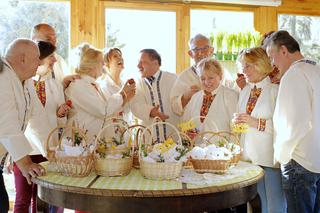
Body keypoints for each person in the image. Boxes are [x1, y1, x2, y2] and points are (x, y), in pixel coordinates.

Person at [12, 41, 70, 213]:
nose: (55, 60)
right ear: (40, 58)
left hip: (48, 148)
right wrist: (10, 154)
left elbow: (59, 123)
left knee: (44, 199)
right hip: (26, 150)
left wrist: (61, 114)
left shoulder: (54, 85)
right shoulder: (21, 83)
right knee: (23, 198)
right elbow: (18, 122)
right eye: (51, 56)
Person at [266, 30, 320, 213]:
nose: (272, 64)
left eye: (272, 56)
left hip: (299, 160)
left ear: (283, 50)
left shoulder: (293, 74)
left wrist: (283, 154)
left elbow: (295, 123)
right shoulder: (316, 69)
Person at [235, 47, 286, 213]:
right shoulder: (244, 91)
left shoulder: (275, 91)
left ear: (260, 65)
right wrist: (236, 122)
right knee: (257, 204)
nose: (244, 71)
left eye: (248, 66)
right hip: (248, 157)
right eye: (243, 66)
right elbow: (240, 121)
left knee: (275, 205)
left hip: (269, 157)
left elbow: (283, 126)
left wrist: (256, 122)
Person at [0, 39, 46, 212]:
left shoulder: (25, 81)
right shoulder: (2, 76)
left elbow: (38, 118)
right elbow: (6, 123)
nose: (40, 62)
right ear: (22, 59)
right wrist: (25, 163)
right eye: (37, 58)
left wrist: (52, 150)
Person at [65, 43, 135, 143]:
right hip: (79, 146)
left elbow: (109, 110)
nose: (103, 65)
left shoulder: (94, 85)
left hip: (95, 143)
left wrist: (125, 97)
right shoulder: (78, 85)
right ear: (91, 64)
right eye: (101, 62)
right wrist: (122, 94)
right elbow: (103, 111)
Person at [131, 49, 180, 141]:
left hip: (173, 136)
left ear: (155, 63)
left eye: (142, 62)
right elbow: (135, 105)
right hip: (149, 138)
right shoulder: (137, 84)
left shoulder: (173, 79)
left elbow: (182, 102)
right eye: (138, 62)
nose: (138, 66)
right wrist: (150, 111)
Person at [182, 58, 238, 134]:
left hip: (222, 145)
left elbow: (236, 128)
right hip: (197, 145)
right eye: (203, 78)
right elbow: (186, 122)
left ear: (220, 76)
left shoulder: (230, 96)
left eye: (211, 78)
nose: (206, 82)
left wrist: (231, 146)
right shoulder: (195, 97)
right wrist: (188, 133)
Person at [170, 34, 214, 116]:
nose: (201, 53)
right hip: (193, 126)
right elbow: (174, 107)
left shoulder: (223, 73)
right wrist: (186, 96)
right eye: (196, 49)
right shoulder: (184, 77)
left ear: (211, 50)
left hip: (219, 125)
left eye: (205, 48)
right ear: (190, 54)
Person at [97, 48, 132, 122]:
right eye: (115, 56)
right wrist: (125, 98)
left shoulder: (126, 84)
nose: (120, 58)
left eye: (120, 55)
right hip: (111, 129)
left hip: (128, 130)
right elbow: (108, 110)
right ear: (106, 63)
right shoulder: (102, 86)